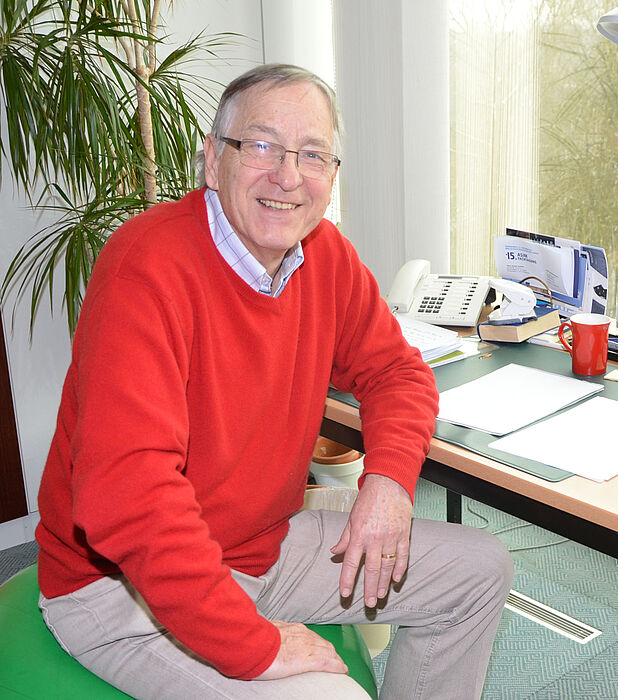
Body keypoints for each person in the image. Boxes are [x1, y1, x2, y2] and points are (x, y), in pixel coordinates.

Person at [35, 63, 513, 699]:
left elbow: (395, 370)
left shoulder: (323, 255)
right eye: (260, 145)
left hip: (260, 546)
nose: (288, 176)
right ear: (212, 162)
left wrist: (390, 481)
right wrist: (253, 645)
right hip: (119, 586)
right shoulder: (144, 270)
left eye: (312, 154)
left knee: (479, 570)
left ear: (331, 176)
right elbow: (129, 498)